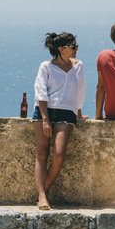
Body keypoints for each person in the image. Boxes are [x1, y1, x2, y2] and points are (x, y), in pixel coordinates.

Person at [33, 31, 87, 210]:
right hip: (45, 111)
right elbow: (41, 92)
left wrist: (79, 112)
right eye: (73, 46)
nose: (76, 49)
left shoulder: (78, 66)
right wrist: (45, 119)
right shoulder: (46, 66)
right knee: (42, 153)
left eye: (76, 45)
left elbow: (80, 90)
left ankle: (43, 192)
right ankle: (42, 197)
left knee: (59, 155)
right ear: (61, 49)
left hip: (66, 112)